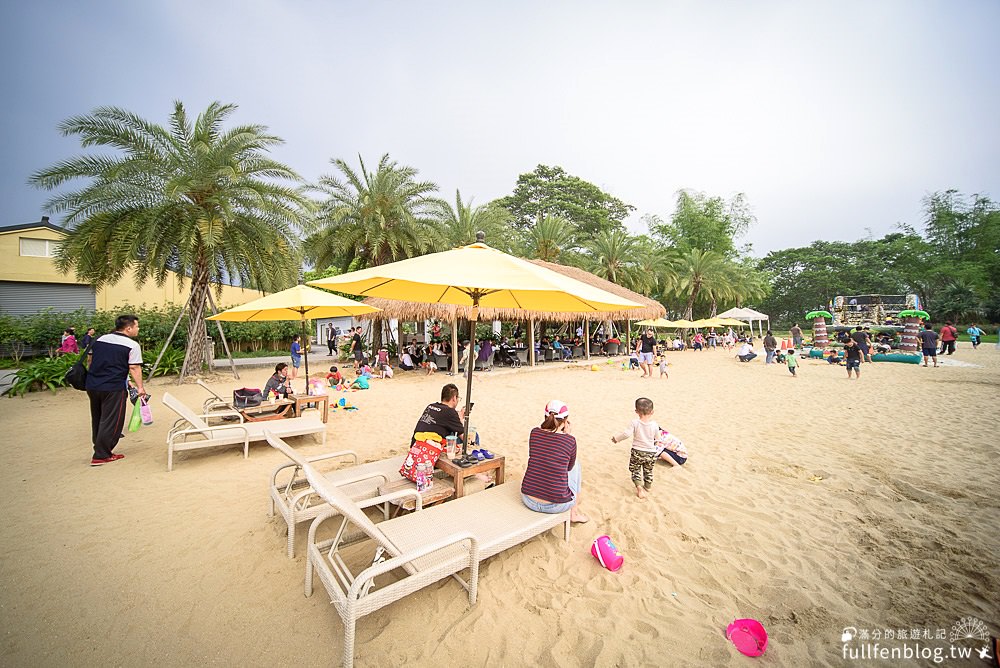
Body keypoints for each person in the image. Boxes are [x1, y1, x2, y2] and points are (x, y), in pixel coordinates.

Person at [85, 314, 145, 466]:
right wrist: (140, 388)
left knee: (98, 418)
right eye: (137, 326)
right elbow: (134, 367)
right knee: (112, 420)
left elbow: (90, 360)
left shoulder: (99, 339)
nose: (138, 329)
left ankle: (99, 447)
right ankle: (101, 454)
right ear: (128, 328)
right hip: (113, 387)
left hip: (93, 385)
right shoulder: (132, 345)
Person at [521, 400, 589, 523]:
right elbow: (569, 467)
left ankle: (573, 512)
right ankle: (574, 513)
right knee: (575, 465)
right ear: (565, 421)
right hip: (556, 505)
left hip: (528, 500)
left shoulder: (534, 433)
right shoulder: (570, 440)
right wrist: (567, 435)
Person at [611, 397, 661, 498]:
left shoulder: (634, 422)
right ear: (652, 412)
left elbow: (626, 434)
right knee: (648, 470)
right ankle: (648, 487)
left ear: (636, 411)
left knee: (636, 470)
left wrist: (616, 439)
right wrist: (655, 445)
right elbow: (657, 438)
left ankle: (639, 488)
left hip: (637, 451)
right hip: (650, 452)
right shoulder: (655, 425)